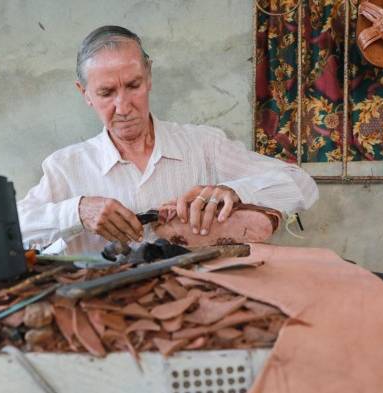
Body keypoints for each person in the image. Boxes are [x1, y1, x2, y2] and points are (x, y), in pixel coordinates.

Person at [17, 25, 318, 252]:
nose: (123, 107)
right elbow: (10, 232)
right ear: (85, 94)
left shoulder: (203, 146)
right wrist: (77, 211)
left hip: (201, 313)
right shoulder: (66, 167)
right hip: (107, 320)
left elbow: (301, 184)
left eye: (133, 85)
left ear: (148, 77)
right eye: (106, 93)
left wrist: (232, 190)